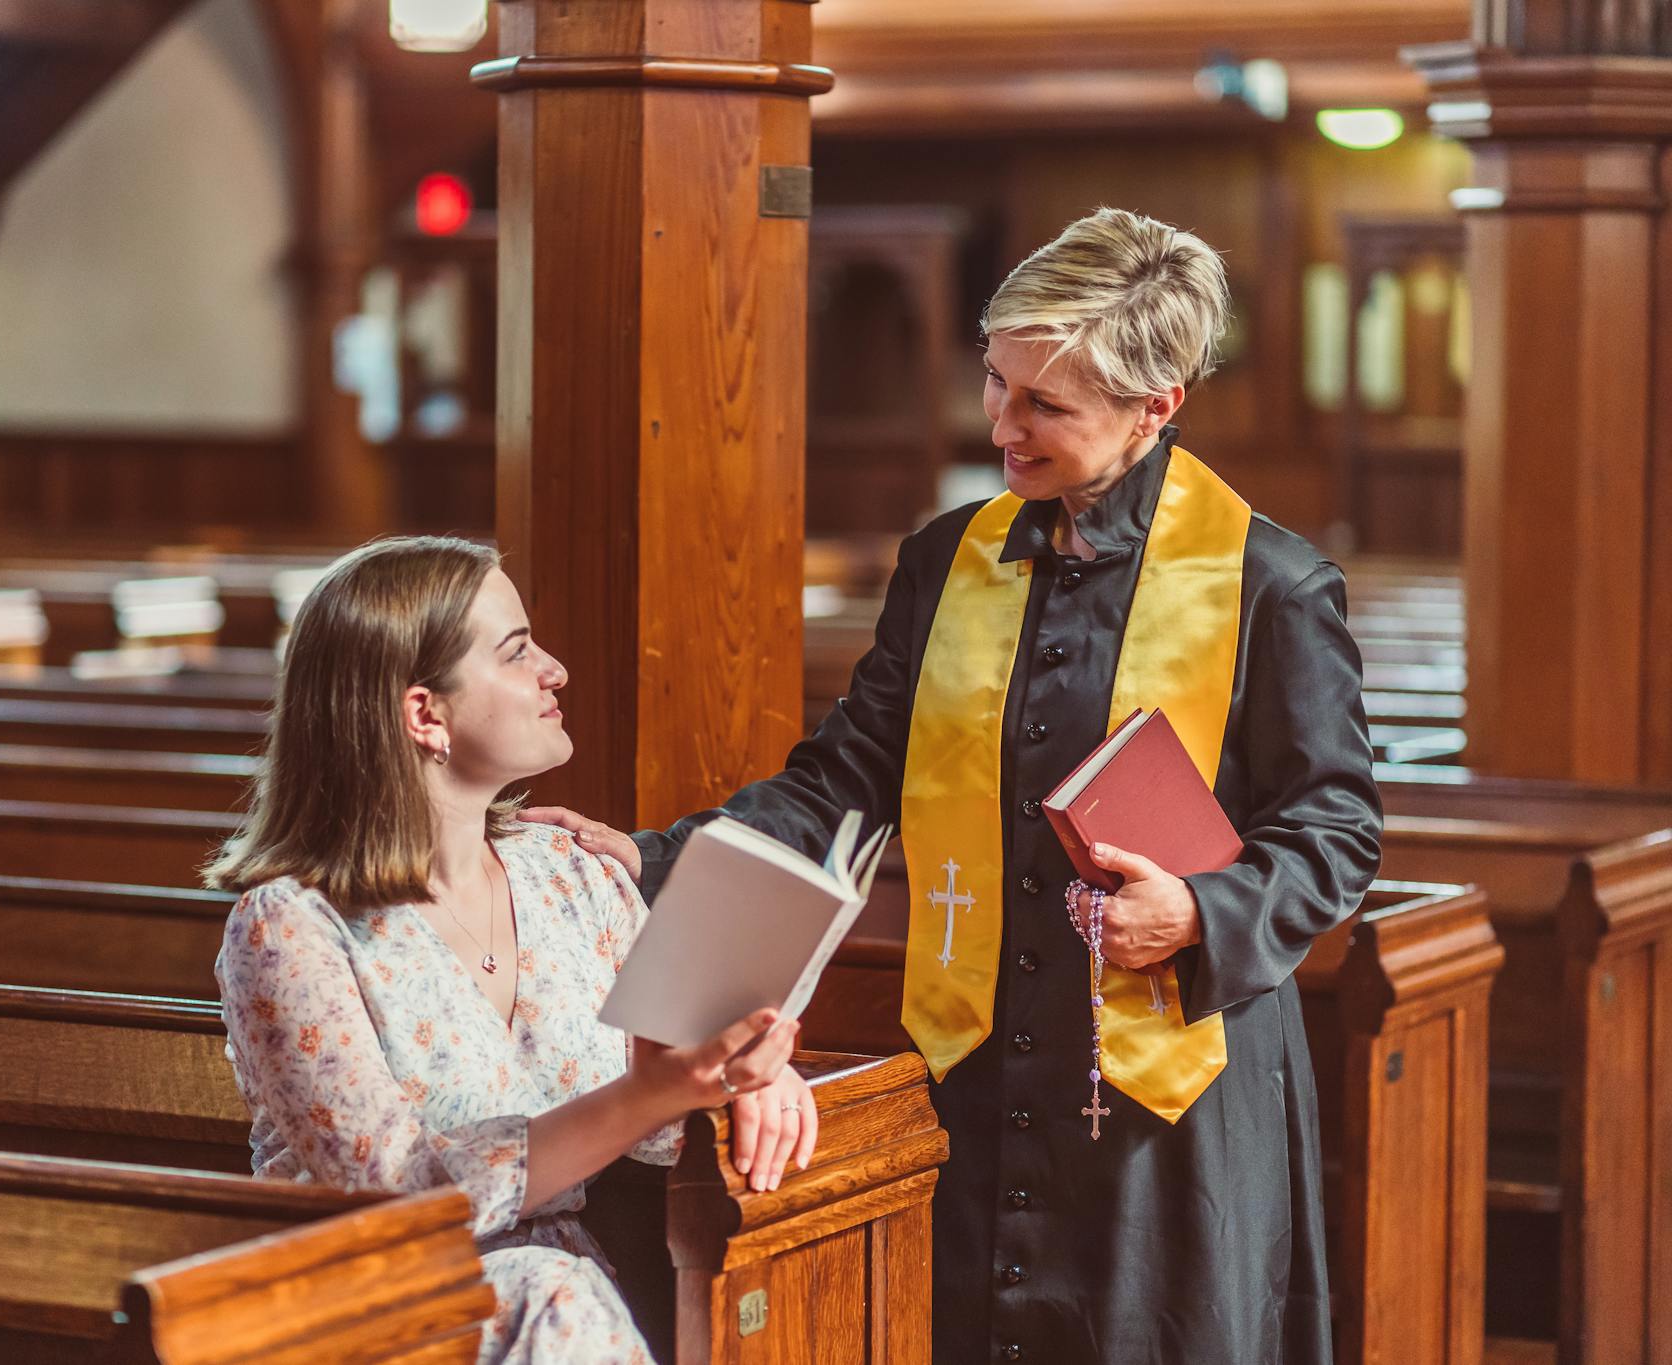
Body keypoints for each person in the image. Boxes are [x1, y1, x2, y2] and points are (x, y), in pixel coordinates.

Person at [532, 208, 1383, 1363]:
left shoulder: (1271, 584)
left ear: (1155, 408)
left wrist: (1195, 912)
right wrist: (648, 854)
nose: (1000, 422)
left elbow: (1332, 830)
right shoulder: (948, 558)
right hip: (978, 1064)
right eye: (995, 382)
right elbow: (846, 779)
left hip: (1170, 1091)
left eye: (1044, 405)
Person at [207, 535, 817, 1365]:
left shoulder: (569, 874)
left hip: (571, 1301)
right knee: (551, 1296)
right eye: (518, 650)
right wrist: (649, 1093)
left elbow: (675, 1094)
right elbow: (394, 1195)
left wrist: (751, 1074)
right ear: (425, 714)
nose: (555, 669)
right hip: (377, 1314)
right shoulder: (289, 927)